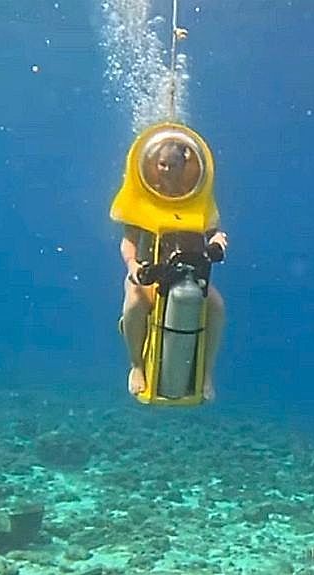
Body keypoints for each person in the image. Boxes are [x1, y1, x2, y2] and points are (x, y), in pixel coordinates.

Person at [118, 137, 226, 399]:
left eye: (172, 165)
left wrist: (218, 242)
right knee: (134, 304)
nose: (165, 170)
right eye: (162, 164)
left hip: (189, 273)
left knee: (216, 307)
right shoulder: (145, 195)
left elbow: (214, 232)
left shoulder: (198, 195)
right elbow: (128, 241)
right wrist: (133, 266)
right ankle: (136, 366)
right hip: (150, 275)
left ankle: (206, 372)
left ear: (185, 165)